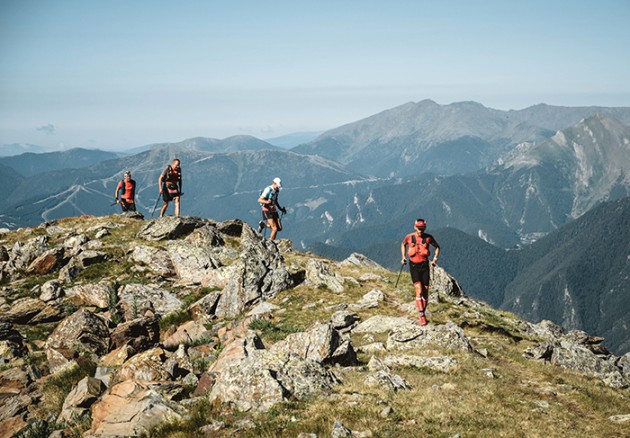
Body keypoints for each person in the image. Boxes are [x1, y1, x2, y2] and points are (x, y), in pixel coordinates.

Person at [400, 218, 440, 326]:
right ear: (415, 227)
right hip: (414, 266)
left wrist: (435, 259)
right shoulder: (409, 237)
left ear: (425, 228)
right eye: (418, 228)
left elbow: (437, 247)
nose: (420, 230)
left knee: (425, 290)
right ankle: (421, 314)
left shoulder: (428, 238)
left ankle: (422, 310)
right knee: (419, 289)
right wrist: (403, 257)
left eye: (422, 228)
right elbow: (403, 244)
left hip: (424, 265)